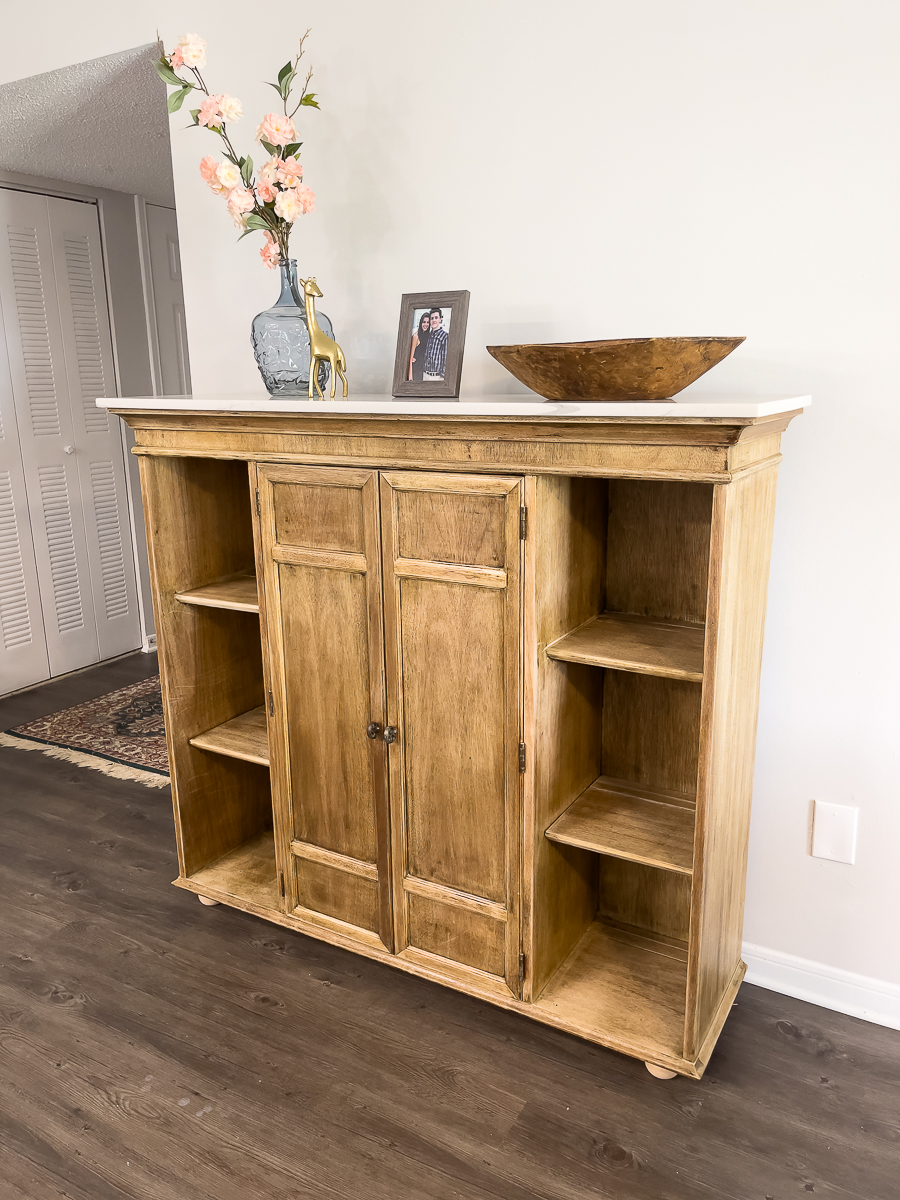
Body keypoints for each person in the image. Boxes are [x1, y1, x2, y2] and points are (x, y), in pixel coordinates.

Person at [422, 308, 449, 381]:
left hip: (436, 377)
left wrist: (442, 376)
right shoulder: (428, 335)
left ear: (440, 319)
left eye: (436, 318)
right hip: (425, 374)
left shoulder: (445, 336)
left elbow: (445, 357)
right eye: (432, 318)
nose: (434, 320)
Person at [408, 311, 431, 382]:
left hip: (425, 370)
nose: (426, 324)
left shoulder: (429, 335)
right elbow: (410, 358)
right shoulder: (416, 336)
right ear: (420, 323)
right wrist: (410, 377)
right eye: (424, 322)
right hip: (416, 370)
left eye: (428, 322)